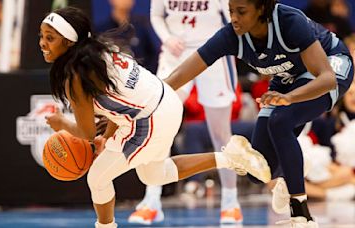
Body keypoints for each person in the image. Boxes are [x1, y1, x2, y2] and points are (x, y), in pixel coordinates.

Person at [39, 7, 271, 228]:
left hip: (150, 117)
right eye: (42, 36)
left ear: (69, 42)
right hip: (162, 103)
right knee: (153, 174)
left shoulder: (75, 76)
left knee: (98, 178)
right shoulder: (99, 52)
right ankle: (230, 158)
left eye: (50, 38)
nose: (42, 43)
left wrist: (63, 124)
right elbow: (119, 105)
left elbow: (87, 134)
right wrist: (108, 138)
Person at [164, 0, 354, 227]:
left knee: (280, 119)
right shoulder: (231, 34)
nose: (234, 17)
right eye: (231, 11)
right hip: (289, 79)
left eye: (241, 11)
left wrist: (290, 98)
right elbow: (186, 69)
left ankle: (302, 214)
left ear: (261, 9)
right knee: (258, 170)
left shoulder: (289, 21)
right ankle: (291, 167)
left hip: (331, 66)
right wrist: (154, 94)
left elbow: (326, 78)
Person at [128, 0, 242, 224]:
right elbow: (157, 15)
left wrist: (230, 43)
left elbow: (234, 17)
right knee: (156, 125)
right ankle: (151, 201)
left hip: (215, 52)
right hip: (175, 53)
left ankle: (231, 202)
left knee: (220, 132)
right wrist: (167, 38)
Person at [96, 0, 160, 73]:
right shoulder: (101, 30)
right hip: (113, 77)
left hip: (139, 77)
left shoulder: (141, 26)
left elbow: (152, 55)